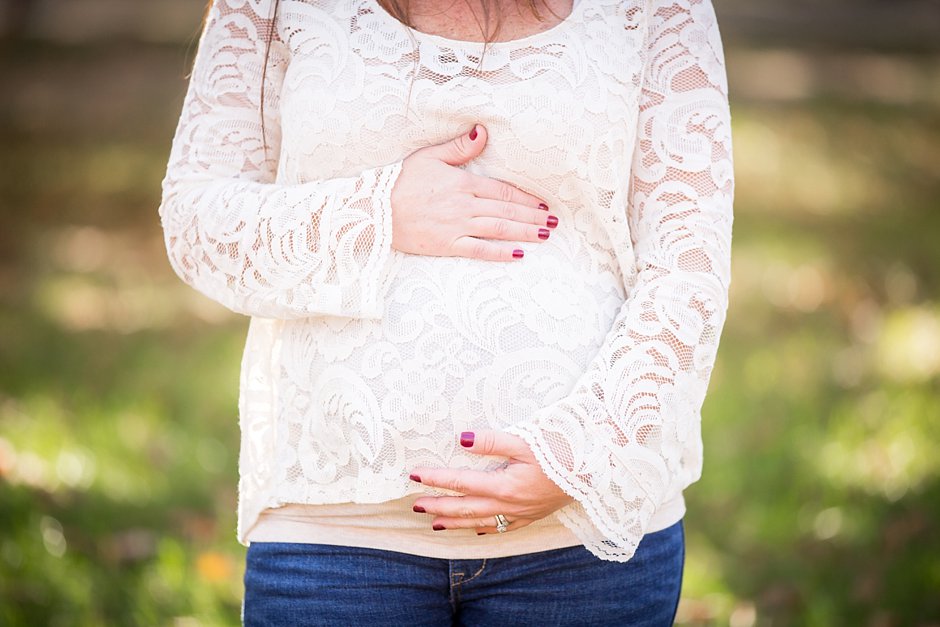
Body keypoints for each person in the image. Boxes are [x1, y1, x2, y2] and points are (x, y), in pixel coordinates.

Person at [158, 0, 733, 624]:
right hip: (335, 540)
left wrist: (580, 457)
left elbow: (688, 268)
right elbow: (196, 221)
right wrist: (379, 212)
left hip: (578, 543)